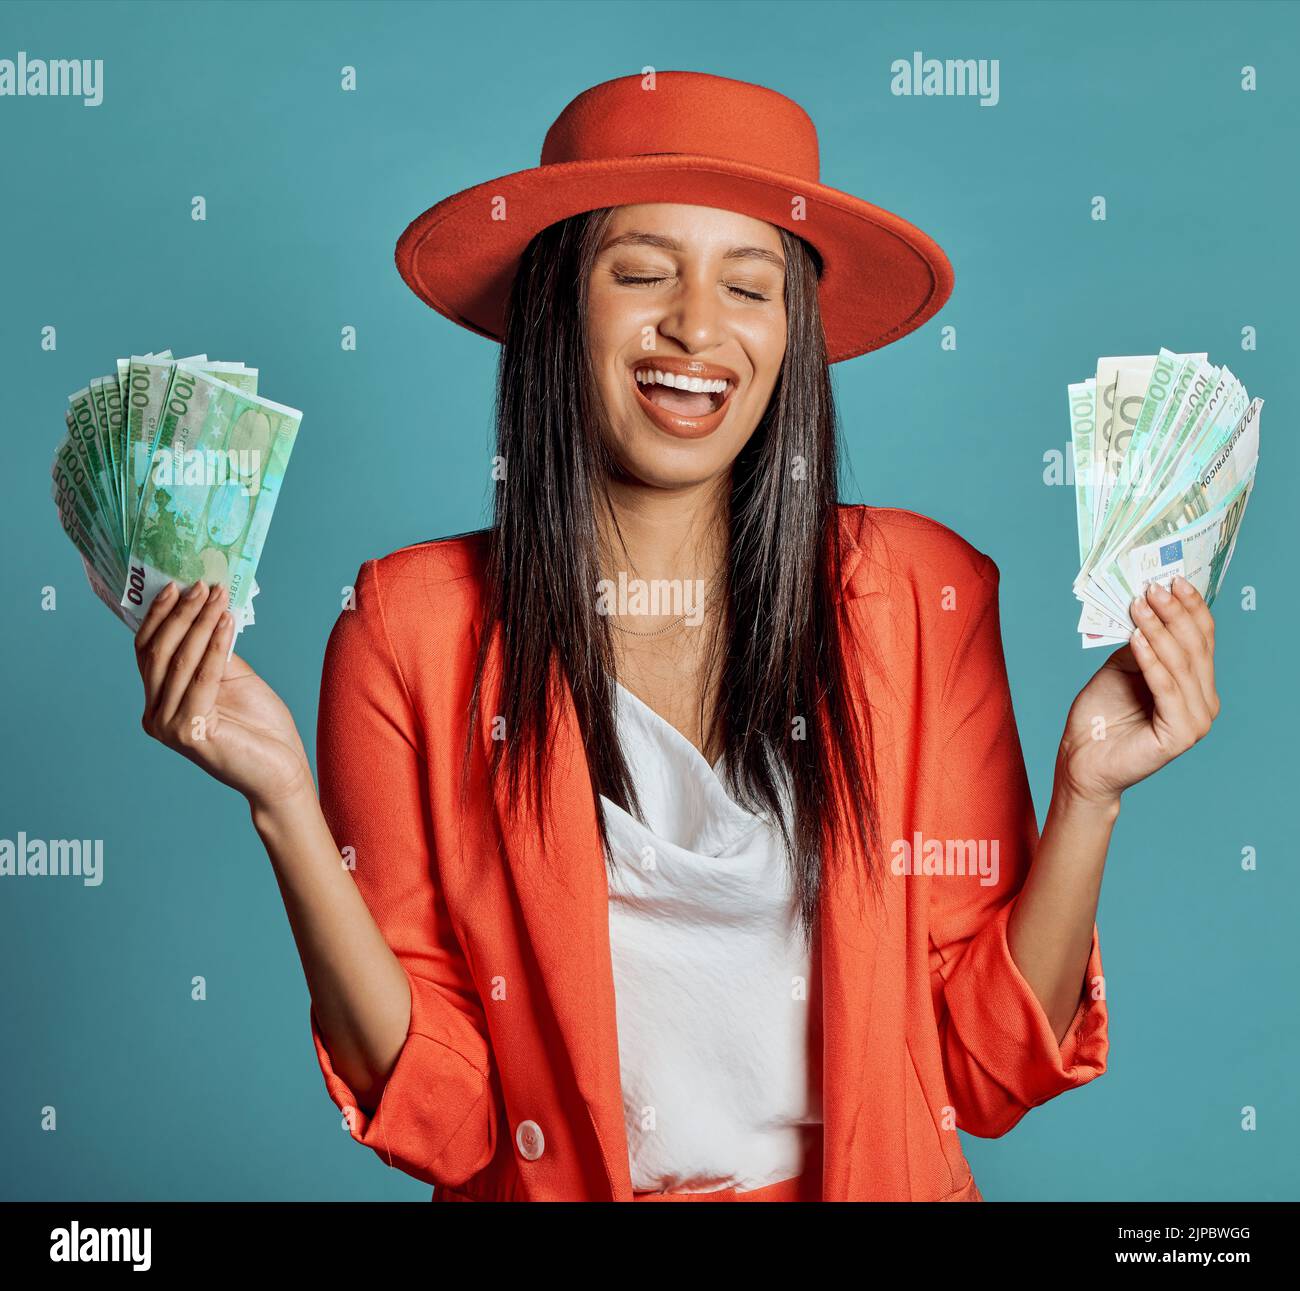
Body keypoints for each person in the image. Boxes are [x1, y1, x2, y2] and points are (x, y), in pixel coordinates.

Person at [131, 72, 1221, 1202]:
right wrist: (283, 808)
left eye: (749, 287)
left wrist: (1089, 794)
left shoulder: (920, 595)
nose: (697, 326)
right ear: (559, 305)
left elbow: (982, 1071)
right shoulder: (408, 626)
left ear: (790, 334)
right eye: (643, 272)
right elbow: (448, 1121)